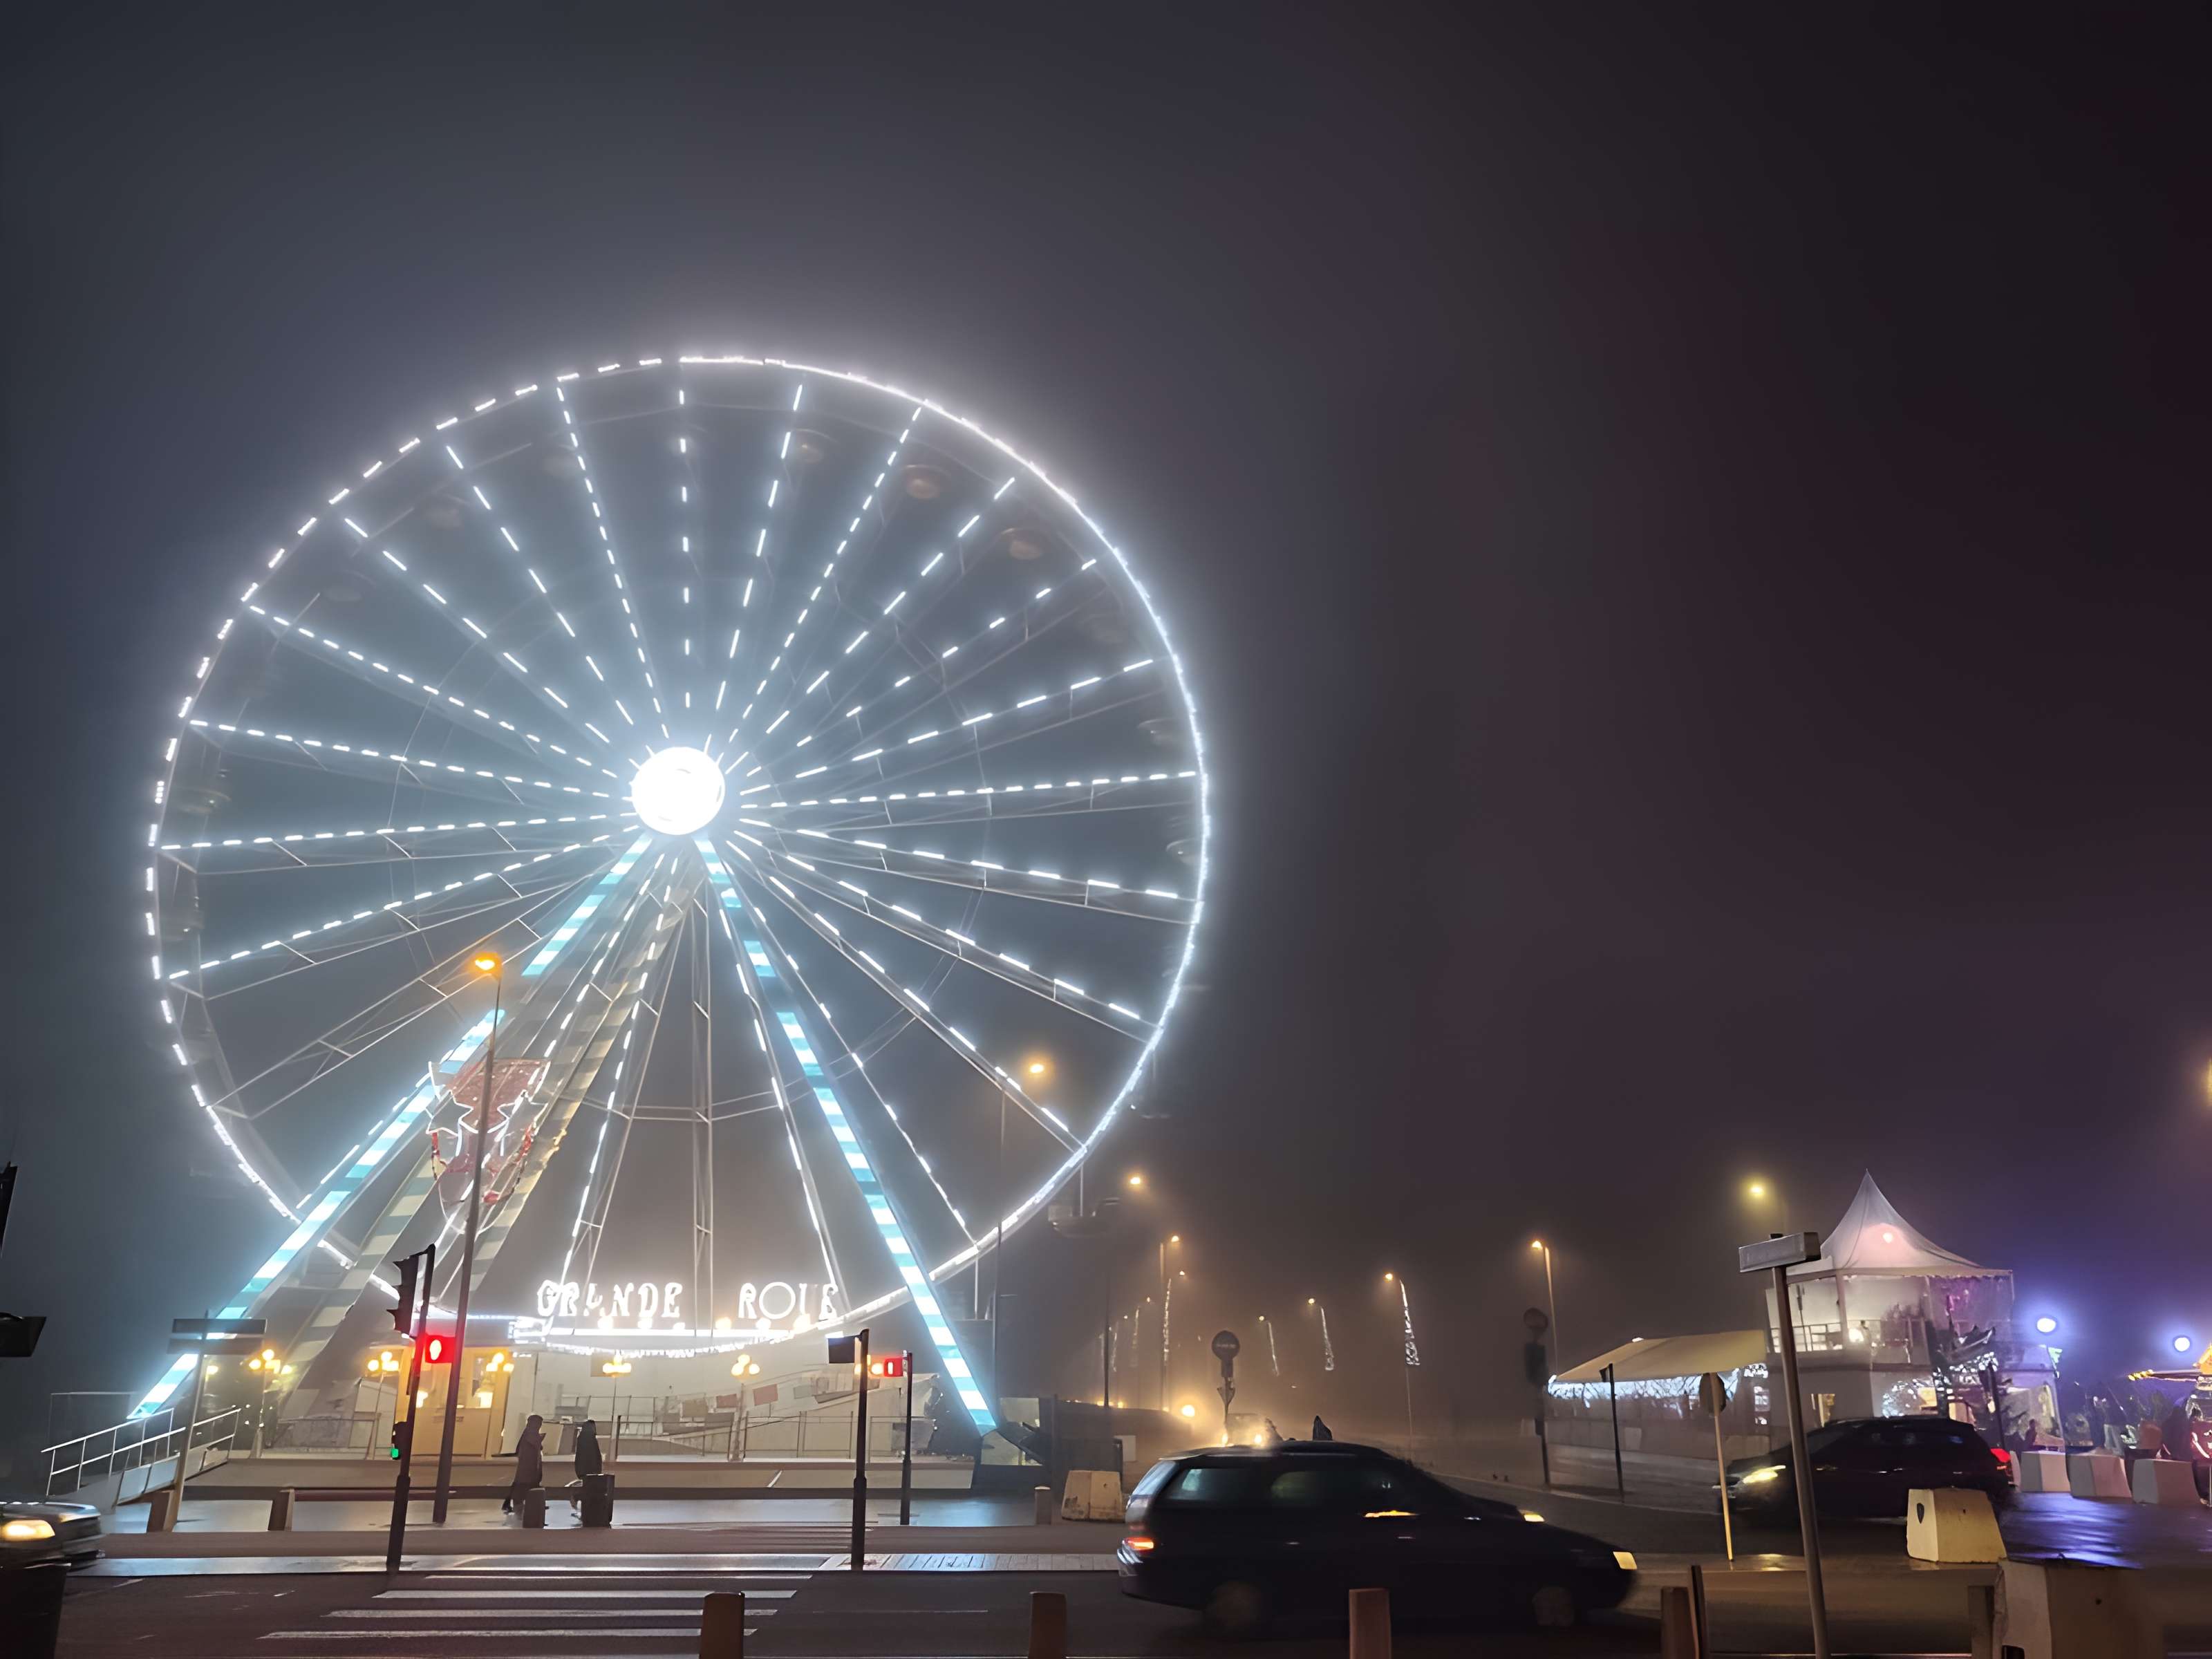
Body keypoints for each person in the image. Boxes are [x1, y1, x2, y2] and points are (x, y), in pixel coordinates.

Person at [504, 1413, 545, 1516]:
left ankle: (510, 1502)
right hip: (528, 1463)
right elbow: (534, 1444)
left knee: (523, 1482)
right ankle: (520, 1502)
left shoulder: (529, 1432)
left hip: (529, 1463)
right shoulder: (531, 1433)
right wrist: (539, 1441)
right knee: (524, 1483)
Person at [568, 1418, 603, 1510]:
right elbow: (595, 1455)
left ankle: (579, 1501)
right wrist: (598, 1468)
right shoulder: (591, 1439)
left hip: (583, 1468)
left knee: (587, 1486)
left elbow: (580, 1456)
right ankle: (578, 1499)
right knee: (589, 1487)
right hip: (591, 1468)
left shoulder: (581, 1438)